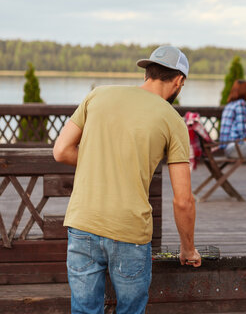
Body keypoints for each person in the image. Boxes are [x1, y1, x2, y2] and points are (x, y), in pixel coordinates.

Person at [53, 45, 201, 314]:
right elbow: (183, 200)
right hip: (129, 232)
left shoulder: (97, 96)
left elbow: (61, 150)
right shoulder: (172, 120)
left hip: (82, 223)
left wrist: (101, 157)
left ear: (148, 72)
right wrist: (188, 249)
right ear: (179, 81)